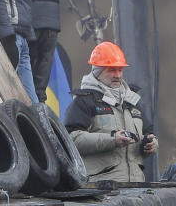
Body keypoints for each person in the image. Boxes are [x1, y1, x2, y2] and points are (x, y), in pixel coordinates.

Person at [63, 41, 157, 181]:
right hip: (102, 191)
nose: (118, 75)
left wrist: (152, 144)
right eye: (111, 70)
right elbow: (70, 140)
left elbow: (149, 133)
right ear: (97, 72)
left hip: (136, 187)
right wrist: (112, 140)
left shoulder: (132, 100)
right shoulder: (83, 101)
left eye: (120, 69)